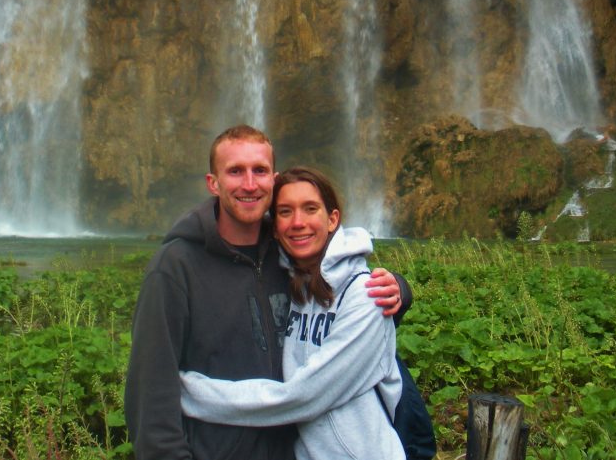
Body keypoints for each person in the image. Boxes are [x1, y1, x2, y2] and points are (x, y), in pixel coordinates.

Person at [124, 126, 410, 460]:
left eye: (259, 170)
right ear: (213, 183)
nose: (249, 184)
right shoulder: (175, 267)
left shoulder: (288, 255)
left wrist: (399, 290)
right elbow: (151, 392)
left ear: (272, 180)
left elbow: (342, 286)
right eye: (235, 171)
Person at [179, 166, 404, 460]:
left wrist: (190, 391)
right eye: (285, 211)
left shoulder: (367, 294)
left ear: (333, 219)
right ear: (274, 226)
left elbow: (304, 396)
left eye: (310, 208)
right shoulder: (291, 285)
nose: (298, 222)